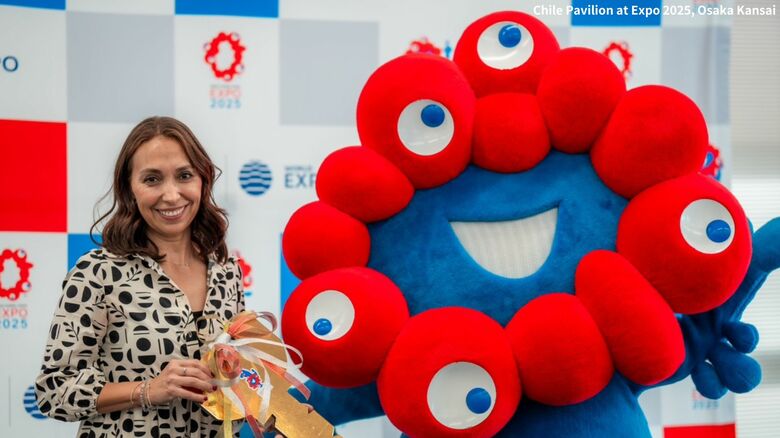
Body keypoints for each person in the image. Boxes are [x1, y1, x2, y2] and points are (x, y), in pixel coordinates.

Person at [35, 116, 245, 437]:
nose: (172, 195)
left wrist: (269, 407)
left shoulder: (226, 273)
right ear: (130, 189)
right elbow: (54, 391)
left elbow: (233, 384)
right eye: (152, 179)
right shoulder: (98, 272)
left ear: (202, 180)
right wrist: (149, 389)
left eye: (184, 175)